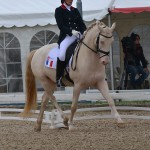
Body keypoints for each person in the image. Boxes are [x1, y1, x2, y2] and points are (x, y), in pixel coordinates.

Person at [55, 0, 87, 87]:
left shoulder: (75, 10)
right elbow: (60, 25)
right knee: (62, 55)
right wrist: (71, 31)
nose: (71, 1)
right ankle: (59, 78)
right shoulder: (59, 10)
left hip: (78, 35)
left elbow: (81, 23)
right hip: (67, 36)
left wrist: (84, 32)